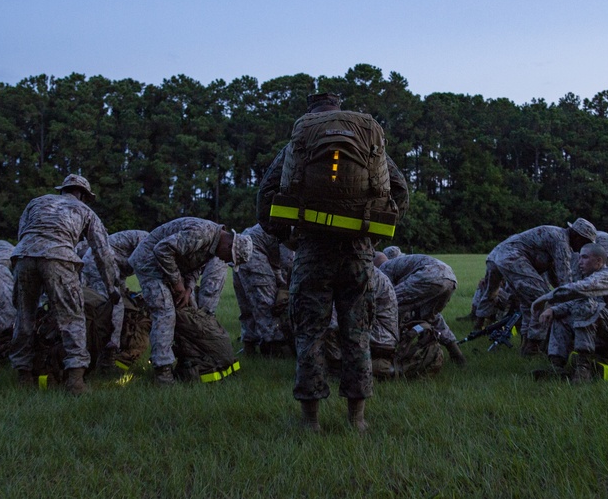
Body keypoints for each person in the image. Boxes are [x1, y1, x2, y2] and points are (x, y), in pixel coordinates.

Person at [256, 91, 408, 432]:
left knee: (310, 334)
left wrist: (289, 237)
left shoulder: (300, 140)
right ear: (339, 109)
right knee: (357, 333)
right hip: (358, 252)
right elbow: (399, 191)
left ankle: (310, 421)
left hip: (312, 251)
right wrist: (370, 235)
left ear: (312, 111)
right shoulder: (367, 137)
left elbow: (265, 196)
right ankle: (357, 420)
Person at [8, 174, 119, 395]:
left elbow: (22, 233)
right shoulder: (86, 211)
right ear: (83, 195)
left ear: (64, 189)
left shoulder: (36, 202)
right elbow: (102, 252)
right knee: (72, 318)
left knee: (25, 316)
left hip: (23, 257)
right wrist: (111, 287)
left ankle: (24, 375)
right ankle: (75, 380)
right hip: (59, 258)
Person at [128, 217, 251, 384]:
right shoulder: (202, 233)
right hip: (149, 262)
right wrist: (177, 282)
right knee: (165, 311)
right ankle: (162, 371)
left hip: (172, 267)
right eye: (229, 257)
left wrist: (188, 289)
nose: (224, 261)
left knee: (191, 312)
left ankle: (189, 361)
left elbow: (195, 266)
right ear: (229, 245)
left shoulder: (215, 245)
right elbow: (162, 250)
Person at [476, 219, 598, 356]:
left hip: (502, 256)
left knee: (530, 303)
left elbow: (554, 275)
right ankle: (533, 346)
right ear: (577, 236)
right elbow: (565, 278)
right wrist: (575, 297)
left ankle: (526, 344)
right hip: (512, 258)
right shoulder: (561, 242)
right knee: (543, 300)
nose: (584, 247)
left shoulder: (557, 236)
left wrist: (563, 293)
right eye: (585, 242)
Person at [534, 243, 608, 381]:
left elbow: (580, 290)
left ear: (599, 261)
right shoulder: (594, 277)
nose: (579, 262)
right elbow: (575, 301)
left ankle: (583, 368)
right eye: (580, 258)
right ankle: (556, 366)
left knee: (586, 305)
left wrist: (545, 298)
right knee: (561, 315)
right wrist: (553, 309)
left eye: (585, 258)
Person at [377, 248, 466, 366]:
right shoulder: (403, 261)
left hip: (428, 275)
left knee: (388, 307)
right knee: (430, 316)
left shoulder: (384, 268)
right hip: (450, 278)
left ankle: (387, 353)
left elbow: (390, 302)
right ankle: (456, 354)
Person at [79, 229, 148, 367]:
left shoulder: (148, 241)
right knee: (113, 305)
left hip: (112, 267)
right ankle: (109, 349)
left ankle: (109, 348)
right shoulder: (147, 242)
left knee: (121, 303)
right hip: (99, 263)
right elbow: (143, 268)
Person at [232, 223, 294, 357]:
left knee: (249, 303)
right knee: (266, 302)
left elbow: (279, 264)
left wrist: (281, 283)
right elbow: (288, 263)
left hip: (242, 247)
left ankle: (250, 345)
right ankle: (274, 347)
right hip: (253, 251)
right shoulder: (292, 229)